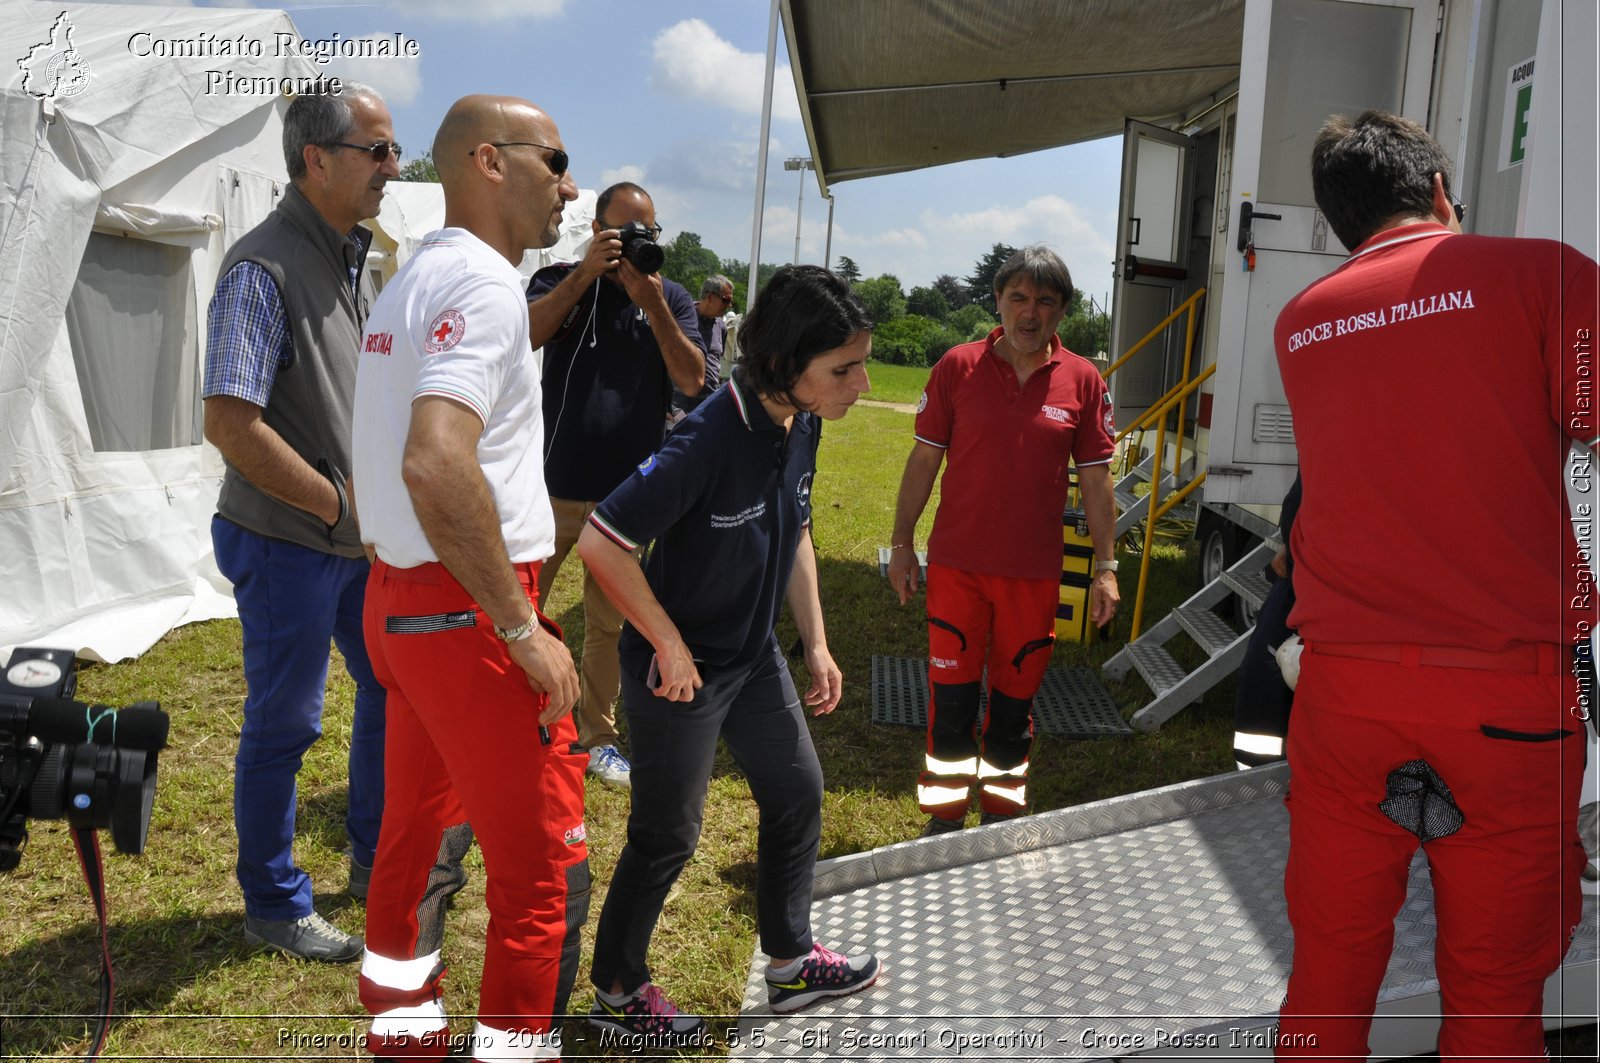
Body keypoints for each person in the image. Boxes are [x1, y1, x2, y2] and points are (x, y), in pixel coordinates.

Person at [1272, 110, 1597, 1060]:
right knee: (1495, 995)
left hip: (1344, 697)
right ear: (1443, 192)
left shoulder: (1302, 322)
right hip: (1506, 700)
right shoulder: (1544, 276)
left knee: (1328, 973)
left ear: (1340, 222)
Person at [574, 265, 880, 1042]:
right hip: (679, 673)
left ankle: (788, 963)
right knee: (668, 834)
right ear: (786, 363)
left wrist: (814, 641)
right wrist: (669, 642)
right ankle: (617, 987)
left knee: (798, 793)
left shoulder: (800, 421)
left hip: (752, 658)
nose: (862, 382)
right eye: (843, 368)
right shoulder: (711, 434)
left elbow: (800, 530)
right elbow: (602, 541)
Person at [351, 95, 587, 1062]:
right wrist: (521, 627)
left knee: (411, 840)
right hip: (472, 616)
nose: (569, 187)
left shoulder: (414, 278)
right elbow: (435, 460)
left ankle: (403, 1036)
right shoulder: (485, 286)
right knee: (539, 875)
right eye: (557, 160)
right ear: (490, 161)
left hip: (406, 607)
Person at [202, 84, 398, 963]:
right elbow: (231, 425)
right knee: (286, 722)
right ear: (317, 159)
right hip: (289, 538)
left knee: (391, 688)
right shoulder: (262, 266)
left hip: (348, 539)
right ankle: (275, 902)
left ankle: (372, 852)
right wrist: (334, 502)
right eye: (378, 151)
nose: (394, 168)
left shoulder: (351, 254)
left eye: (393, 152)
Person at [888, 246, 1120, 837]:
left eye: (1045, 301)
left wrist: (1106, 566)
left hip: (1033, 574)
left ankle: (1000, 820)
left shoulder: (1084, 381)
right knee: (953, 700)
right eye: (1018, 297)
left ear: (1062, 311)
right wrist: (902, 542)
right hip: (958, 568)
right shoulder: (956, 368)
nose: (1029, 313)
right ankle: (943, 822)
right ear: (997, 301)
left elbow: (1096, 478)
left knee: (1014, 706)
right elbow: (923, 462)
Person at [527, 182, 706, 788]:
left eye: (648, 233)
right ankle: (519, 722)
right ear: (598, 230)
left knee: (608, 626)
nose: (638, 244)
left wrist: (651, 304)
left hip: (624, 502)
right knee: (522, 613)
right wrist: (585, 275)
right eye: (625, 232)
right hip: (548, 489)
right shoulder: (559, 279)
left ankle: (596, 736)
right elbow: (525, 334)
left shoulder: (673, 297)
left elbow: (692, 380)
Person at [1232, 473, 1301, 768]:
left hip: (1336, 579)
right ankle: (1252, 774)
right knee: (1260, 671)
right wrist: (1289, 542)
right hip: (1299, 570)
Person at [677, 274, 734, 415]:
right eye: (726, 300)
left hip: (708, 401)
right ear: (710, 297)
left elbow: (717, 359)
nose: (729, 305)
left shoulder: (721, 326)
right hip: (679, 401)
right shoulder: (683, 318)